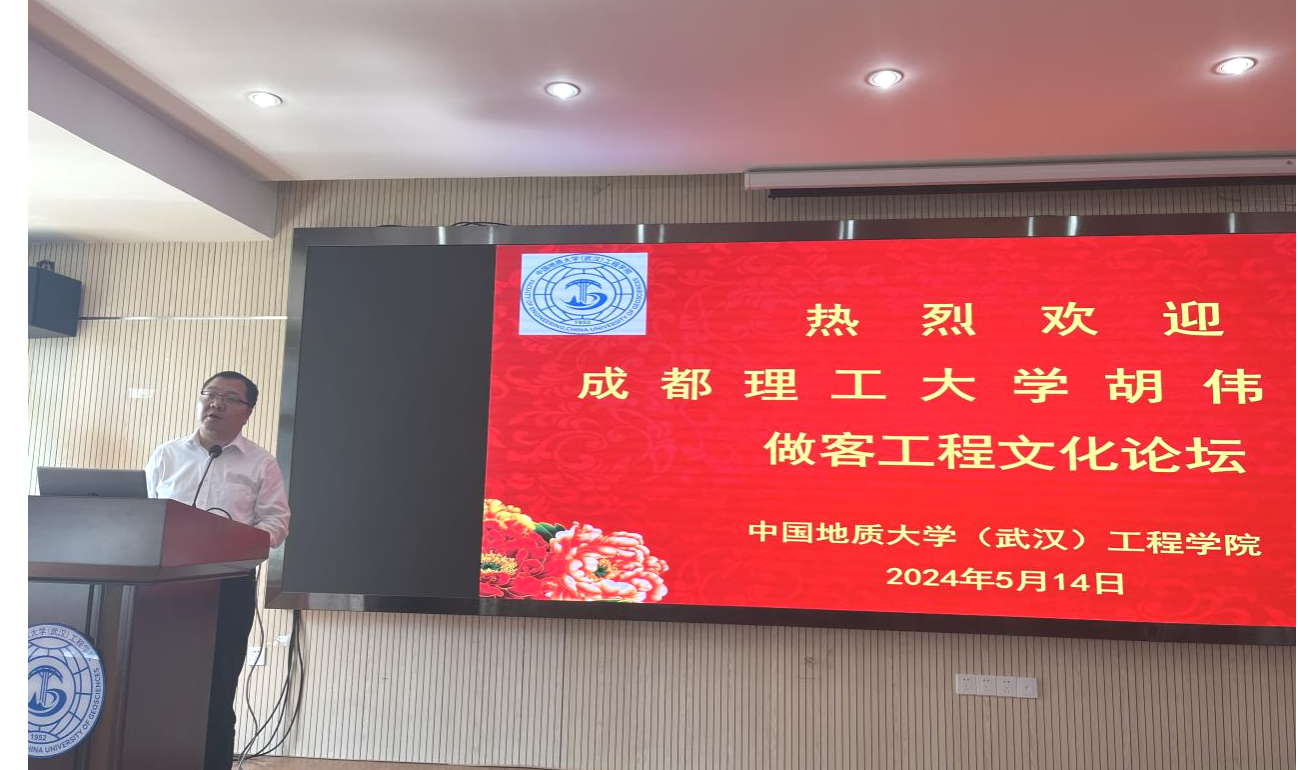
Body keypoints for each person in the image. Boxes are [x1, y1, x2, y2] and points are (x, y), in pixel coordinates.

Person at [144, 371, 290, 770]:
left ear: (247, 412)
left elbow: (276, 523)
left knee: (217, 689)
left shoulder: (261, 463)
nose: (216, 403)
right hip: (164, 587)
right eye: (210, 394)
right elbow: (146, 515)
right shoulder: (166, 455)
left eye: (229, 398)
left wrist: (238, 543)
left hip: (228, 586)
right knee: (156, 683)